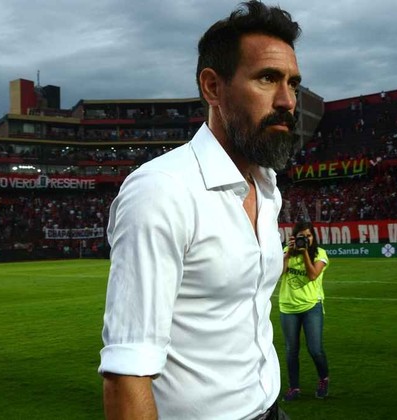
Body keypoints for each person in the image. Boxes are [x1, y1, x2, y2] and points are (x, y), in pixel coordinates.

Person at [99, 2, 302, 419]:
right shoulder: (161, 191)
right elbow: (126, 375)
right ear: (212, 87)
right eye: (267, 78)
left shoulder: (267, 186)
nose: (287, 100)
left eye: (293, 83)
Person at [279, 221, 330, 401]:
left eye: (309, 236)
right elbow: (278, 273)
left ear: (313, 237)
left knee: (315, 349)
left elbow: (313, 275)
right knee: (291, 350)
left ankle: (323, 379)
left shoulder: (320, 253)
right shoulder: (287, 250)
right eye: (302, 236)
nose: (306, 239)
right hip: (288, 306)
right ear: (295, 237)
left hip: (311, 306)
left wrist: (304, 252)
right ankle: (294, 387)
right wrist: (287, 255)